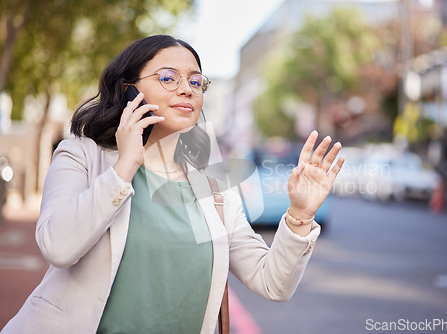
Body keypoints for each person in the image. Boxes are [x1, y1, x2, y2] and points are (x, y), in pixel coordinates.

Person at [1, 35, 345, 334]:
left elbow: (272, 283)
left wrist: (299, 214)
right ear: (129, 89)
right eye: (168, 78)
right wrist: (125, 166)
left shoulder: (212, 178)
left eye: (196, 82)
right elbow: (57, 247)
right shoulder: (82, 154)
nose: (186, 89)